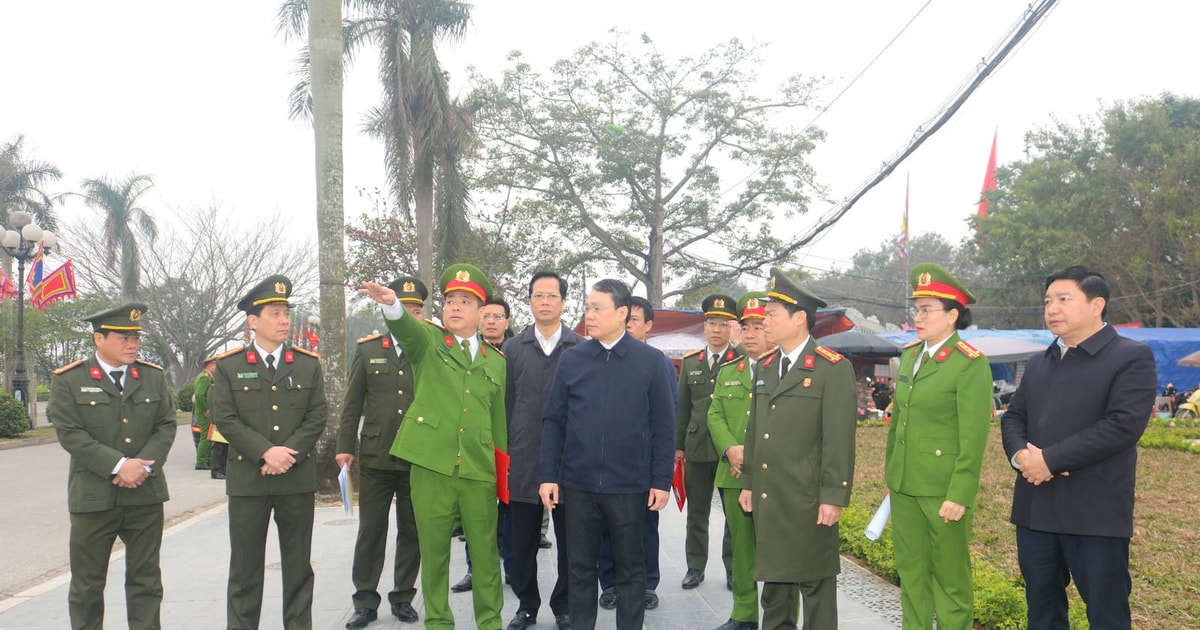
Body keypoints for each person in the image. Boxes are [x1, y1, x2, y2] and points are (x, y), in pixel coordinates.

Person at [1001, 266, 1157, 630]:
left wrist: (1051, 460)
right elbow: (1013, 418)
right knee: (1042, 609)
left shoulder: (1130, 357)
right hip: (1036, 510)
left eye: (1063, 299)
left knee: (1106, 613)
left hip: (1095, 512)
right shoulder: (1040, 362)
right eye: (1048, 301)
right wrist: (1022, 456)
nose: (1052, 308)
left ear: (1096, 304)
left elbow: (1123, 426)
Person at [358, 263, 509, 630]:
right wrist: (392, 304)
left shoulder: (496, 361)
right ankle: (439, 622)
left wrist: (503, 477)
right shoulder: (428, 341)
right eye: (450, 300)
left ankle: (490, 622)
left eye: (465, 301)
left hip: (478, 470)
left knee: (487, 557)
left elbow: (498, 421)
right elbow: (405, 328)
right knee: (435, 554)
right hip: (431, 467)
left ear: (480, 311)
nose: (455, 307)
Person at [539, 279, 676, 630]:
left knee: (631, 571)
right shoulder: (573, 360)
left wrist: (661, 480)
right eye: (587, 307)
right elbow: (555, 421)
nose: (589, 315)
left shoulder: (650, 362)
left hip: (630, 487)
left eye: (597, 308)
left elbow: (664, 425)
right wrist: (548, 475)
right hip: (579, 484)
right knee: (581, 569)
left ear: (622, 313)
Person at [738, 268, 856, 630]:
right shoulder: (767, 366)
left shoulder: (831, 369)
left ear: (799, 318)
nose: (764, 321)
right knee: (774, 589)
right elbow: (756, 430)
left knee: (815, 587)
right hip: (771, 496)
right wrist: (748, 481)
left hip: (808, 499)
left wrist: (833, 496)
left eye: (772, 314)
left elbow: (839, 439)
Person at [208, 274, 328, 630]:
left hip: (295, 477)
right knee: (245, 570)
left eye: (285, 313)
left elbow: (317, 414)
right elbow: (225, 419)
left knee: (298, 568)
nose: (284, 320)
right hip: (249, 481)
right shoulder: (230, 366)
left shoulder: (307, 363)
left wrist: (285, 454)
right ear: (253, 321)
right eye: (275, 313)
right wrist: (265, 453)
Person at [49, 302, 176, 630]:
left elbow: (165, 426)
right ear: (98, 339)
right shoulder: (70, 380)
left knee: (146, 582)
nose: (132, 343)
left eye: (135, 337)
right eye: (123, 337)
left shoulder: (152, 377)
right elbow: (71, 434)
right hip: (93, 498)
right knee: (87, 585)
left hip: (144, 495)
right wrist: (119, 465)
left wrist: (142, 467)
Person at [885, 263, 993, 630]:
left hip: (943, 491)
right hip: (905, 486)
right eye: (917, 309)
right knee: (911, 576)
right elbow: (898, 423)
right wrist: (891, 474)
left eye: (927, 309)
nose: (918, 316)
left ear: (952, 316)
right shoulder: (911, 356)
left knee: (950, 581)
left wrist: (959, 494)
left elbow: (973, 437)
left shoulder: (968, 364)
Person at [336, 276, 428, 629]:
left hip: (417, 457)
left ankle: (403, 595)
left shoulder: (429, 351)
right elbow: (352, 402)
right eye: (405, 309)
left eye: (417, 310)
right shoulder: (369, 349)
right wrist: (345, 447)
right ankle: (365, 600)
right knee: (371, 530)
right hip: (376, 455)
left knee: (412, 530)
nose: (411, 315)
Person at [502, 271, 584, 630]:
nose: (545, 301)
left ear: (564, 302)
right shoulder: (512, 349)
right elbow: (503, 406)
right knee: (519, 545)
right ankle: (526, 605)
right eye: (538, 295)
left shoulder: (581, 349)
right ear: (530, 301)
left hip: (570, 464)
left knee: (572, 546)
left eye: (552, 295)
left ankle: (564, 606)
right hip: (522, 461)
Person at [597, 295, 671, 611]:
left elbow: (666, 420)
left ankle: (646, 584)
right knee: (605, 529)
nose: (628, 326)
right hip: (602, 468)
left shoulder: (658, 363)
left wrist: (660, 474)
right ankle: (610, 583)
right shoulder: (599, 358)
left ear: (648, 326)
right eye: (625, 319)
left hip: (641, 467)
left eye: (635, 321)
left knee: (645, 528)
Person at [706, 291, 771, 630]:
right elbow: (715, 414)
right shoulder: (731, 369)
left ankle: (778, 616)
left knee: (775, 550)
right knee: (741, 548)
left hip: (772, 477)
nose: (749, 334)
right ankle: (744, 613)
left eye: (758, 326)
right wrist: (730, 449)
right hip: (732, 474)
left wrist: (752, 457)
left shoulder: (782, 370)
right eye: (744, 327)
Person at [676, 293, 739, 590]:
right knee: (697, 512)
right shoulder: (691, 363)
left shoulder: (741, 362)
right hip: (697, 448)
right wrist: (678, 447)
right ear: (704, 326)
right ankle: (695, 567)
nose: (716, 329)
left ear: (731, 328)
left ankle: (733, 569)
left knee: (733, 516)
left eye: (723, 324)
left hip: (730, 452)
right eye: (712, 323)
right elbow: (682, 409)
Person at [194, 357, 217, 470]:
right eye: (216, 366)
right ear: (211, 365)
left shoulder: (208, 377)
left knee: (209, 435)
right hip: (204, 413)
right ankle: (202, 461)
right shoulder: (204, 378)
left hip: (205, 411)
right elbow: (199, 395)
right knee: (206, 436)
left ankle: (206, 459)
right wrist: (205, 409)